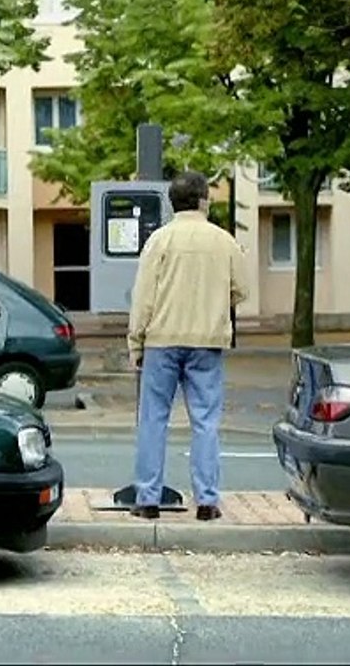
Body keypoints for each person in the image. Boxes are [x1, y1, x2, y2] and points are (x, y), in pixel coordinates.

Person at [126, 170, 248, 521]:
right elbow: (242, 289)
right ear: (203, 200)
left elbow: (143, 299)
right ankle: (207, 502)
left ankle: (148, 499)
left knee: (153, 420)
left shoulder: (159, 241)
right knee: (206, 422)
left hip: (161, 342)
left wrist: (137, 343)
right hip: (206, 342)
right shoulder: (223, 241)